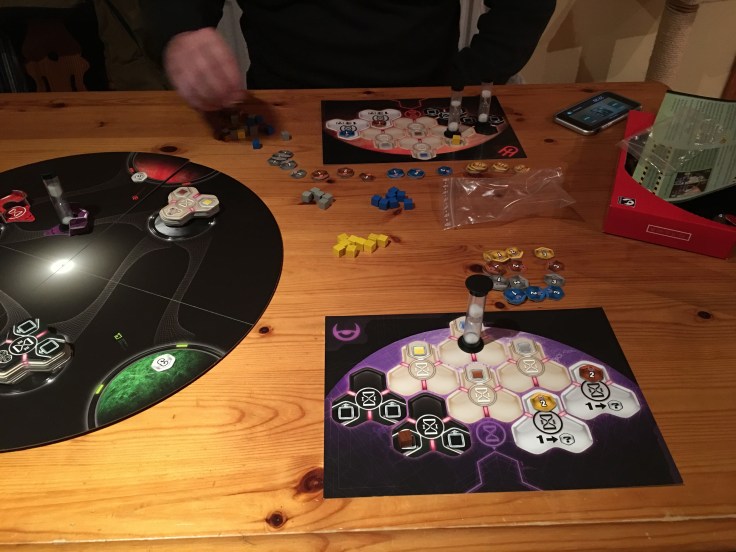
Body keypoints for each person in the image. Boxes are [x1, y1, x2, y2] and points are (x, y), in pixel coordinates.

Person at [143, 1, 556, 112]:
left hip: (424, 101)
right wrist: (179, 32)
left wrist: (471, 74)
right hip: (282, 104)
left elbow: (523, 7)